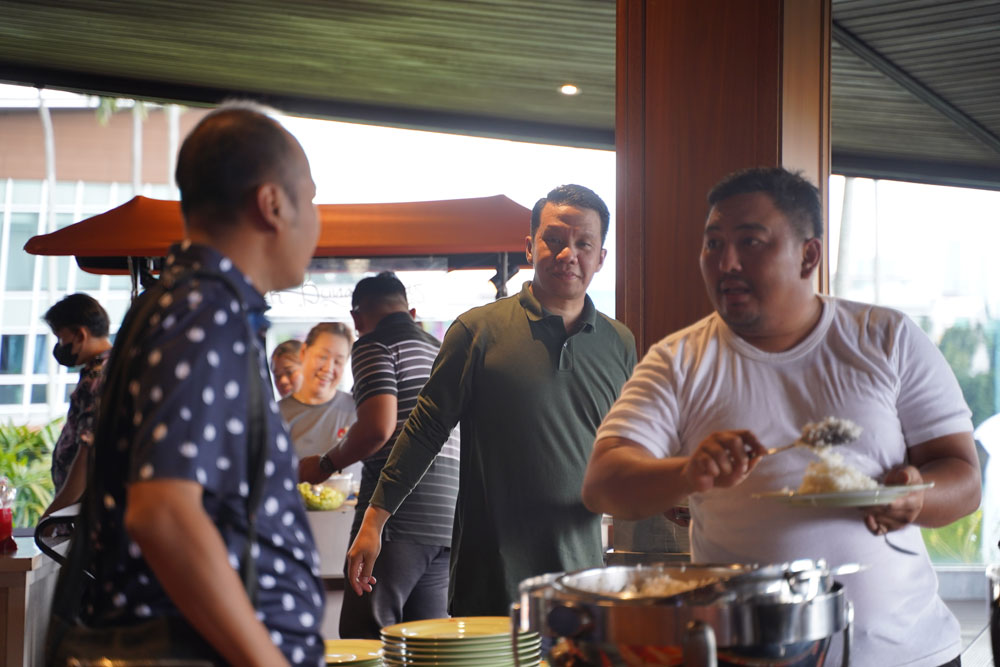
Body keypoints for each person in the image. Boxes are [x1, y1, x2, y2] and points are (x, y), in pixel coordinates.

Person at [582, 166, 981, 667]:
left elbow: (964, 478)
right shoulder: (678, 361)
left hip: (909, 654)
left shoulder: (888, 338)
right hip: (752, 655)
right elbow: (603, 484)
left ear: (808, 255)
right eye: (713, 244)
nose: (726, 262)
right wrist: (688, 472)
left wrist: (916, 496)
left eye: (750, 242)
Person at [67, 104, 325, 666]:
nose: (316, 219)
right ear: (272, 204)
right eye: (310, 198)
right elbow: (163, 512)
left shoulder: (186, 304)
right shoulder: (207, 313)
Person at [346, 184, 637, 616]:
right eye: (554, 239)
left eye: (584, 244)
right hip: (490, 577)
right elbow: (425, 430)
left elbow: (627, 447)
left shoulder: (620, 343)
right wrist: (374, 521)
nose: (568, 254)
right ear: (530, 246)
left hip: (582, 576)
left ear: (601, 257)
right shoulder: (477, 331)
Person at [299, 272, 460, 638]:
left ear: (356, 319)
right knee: (428, 645)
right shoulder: (439, 350)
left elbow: (377, 428)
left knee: (366, 639)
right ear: (411, 312)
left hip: (395, 516)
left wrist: (324, 465)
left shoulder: (373, 344)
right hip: (446, 520)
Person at [41, 293, 113, 517]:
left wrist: (52, 515)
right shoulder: (113, 368)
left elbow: (86, 457)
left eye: (61, 338)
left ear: (81, 334)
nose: (60, 347)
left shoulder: (96, 380)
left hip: (82, 514)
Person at [279, 323, 357, 466]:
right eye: (322, 356)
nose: (328, 368)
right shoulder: (276, 414)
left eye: (338, 361)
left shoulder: (360, 411)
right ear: (303, 352)